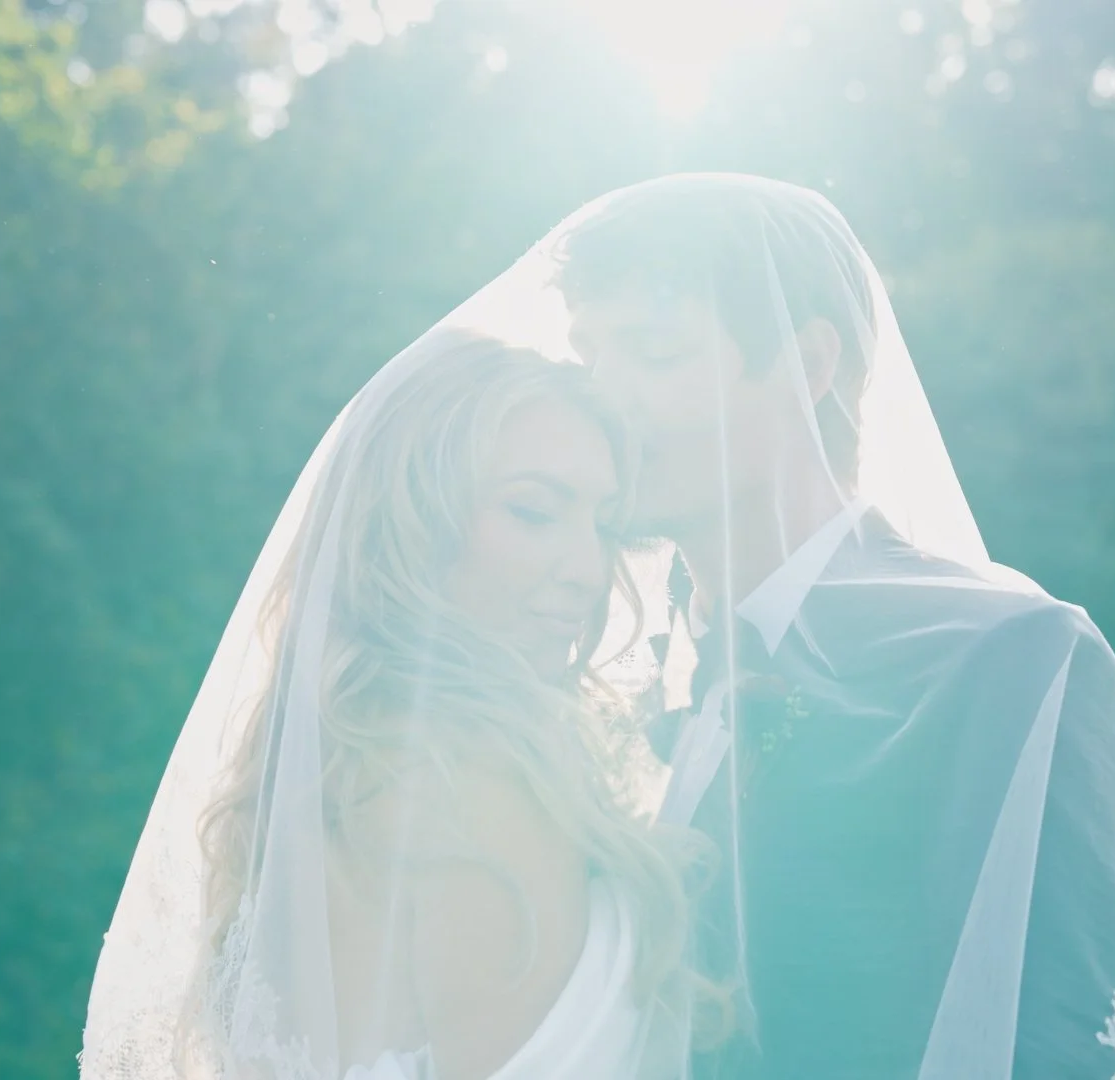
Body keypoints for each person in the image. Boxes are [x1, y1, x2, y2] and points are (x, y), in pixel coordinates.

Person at [545, 173, 1115, 1080]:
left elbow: (1078, 1047)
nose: (601, 398)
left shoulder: (1011, 657)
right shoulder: (589, 683)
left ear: (809, 365)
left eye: (655, 352)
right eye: (587, 357)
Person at [79, 331, 717, 1080]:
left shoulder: (326, 774)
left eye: (604, 526)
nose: (586, 568)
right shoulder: (474, 785)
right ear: (412, 521)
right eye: (535, 513)